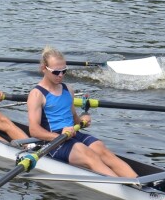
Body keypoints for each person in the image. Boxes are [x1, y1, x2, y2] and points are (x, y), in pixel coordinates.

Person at [26, 46, 136, 178]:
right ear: (44, 68)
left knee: (101, 149)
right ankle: (124, 188)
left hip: (72, 134)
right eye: (56, 72)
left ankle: (140, 183)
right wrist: (59, 135)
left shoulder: (68, 89)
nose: (60, 75)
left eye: (64, 71)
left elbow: (74, 118)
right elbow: (34, 130)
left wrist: (83, 119)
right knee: (88, 154)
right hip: (53, 142)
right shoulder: (36, 94)